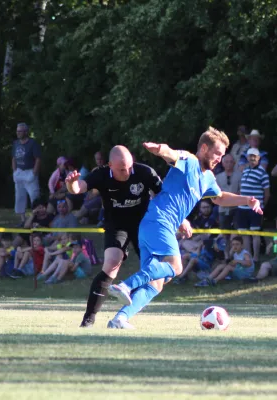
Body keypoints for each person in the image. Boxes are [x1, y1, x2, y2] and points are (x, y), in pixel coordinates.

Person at [107, 127, 263, 329]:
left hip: (154, 226)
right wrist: (160, 149)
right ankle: (126, 285)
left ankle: (120, 319)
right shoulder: (189, 161)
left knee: (156, 284)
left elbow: (220, 197)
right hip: (159, 220)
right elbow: (171, 155)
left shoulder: (207, 178)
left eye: (222, 155)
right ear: (204, 148)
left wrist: (247, 200)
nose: (219, 159)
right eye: (217, 153)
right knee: (176, 266)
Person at [65, 145, 192, 328]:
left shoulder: (145, 172)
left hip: (146, 225)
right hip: (117, 225)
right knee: (111, 264)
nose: (127, 172)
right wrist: (71, 183)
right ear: (110, 165)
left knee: (159, 280)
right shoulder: (100, 174)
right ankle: (88, 320)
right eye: (122, 169)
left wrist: (181, 219)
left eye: (129, 167)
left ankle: (121, 317)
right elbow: (78, 188)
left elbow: (166, 199)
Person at [12, 122, 41, 224]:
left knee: (34, 195)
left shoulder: (33, 143)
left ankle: (36, 218)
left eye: (20, 131)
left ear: (26, 132)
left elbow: (38, 159)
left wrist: (34, 172)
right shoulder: (16, 143)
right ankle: (23, 219)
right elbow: (14, 158)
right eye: (17, 131)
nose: (18, 133)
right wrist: (15, 171)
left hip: (30, 171)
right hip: (19, 171)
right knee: (19, 196)